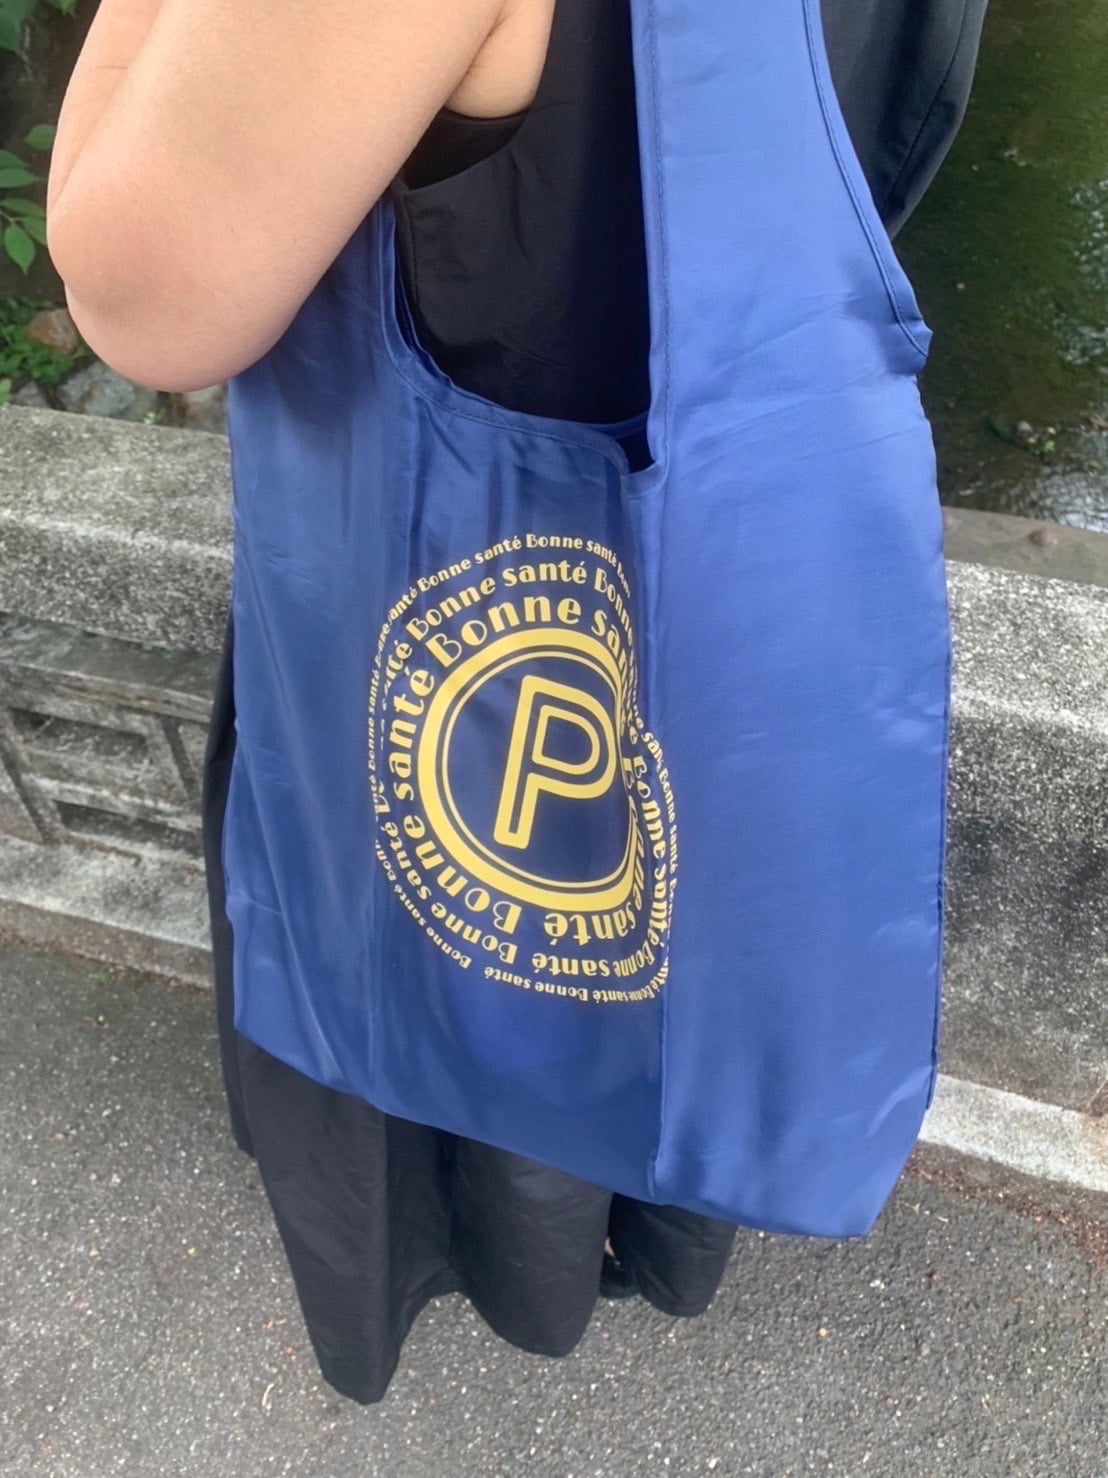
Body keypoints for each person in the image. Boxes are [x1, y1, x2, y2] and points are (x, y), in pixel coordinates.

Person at [49, 0, 985, 1406]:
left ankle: (473, 1251)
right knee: (651, 963)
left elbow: (146, 300)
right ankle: (610, 1224)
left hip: (409, 601)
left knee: (418, 976)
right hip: (713, 536)